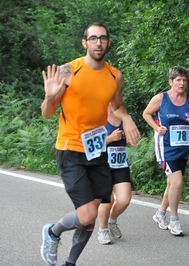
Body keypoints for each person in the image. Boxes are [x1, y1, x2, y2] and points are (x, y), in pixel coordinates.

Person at [40, 22, 140, 266]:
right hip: (71, 148)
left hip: (97, 150)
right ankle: (52, 232)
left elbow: (117, 105)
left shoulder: (114, 75)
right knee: (87, 214)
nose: (98, 42)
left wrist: (126, 118)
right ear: (85, 43)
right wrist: (50, 96)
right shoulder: (68, 71)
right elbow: (47, 113)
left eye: (103, 38)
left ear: (108, 42)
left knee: (90, 218)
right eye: (93, 38)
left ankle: (70, 263)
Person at [142, 66, 189, 236]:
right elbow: (146, 113)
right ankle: (174, 221)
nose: (182, 83)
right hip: (166, 146)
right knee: (177, 183)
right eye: (178, 80)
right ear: (171, 81)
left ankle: (160, 214)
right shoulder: (161, 98)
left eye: (184, 80)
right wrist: (156, 127)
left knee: (172, 184)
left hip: (183, 147)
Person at [96, 103, 132, 245]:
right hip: (102, 164)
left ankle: (112, 221)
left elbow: (133, 140)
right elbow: (87, 143)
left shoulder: (124, 116)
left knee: (124, 200)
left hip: (120, 164)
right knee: (107, 201)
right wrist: (110, 138)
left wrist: (130, 140)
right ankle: (102, 231)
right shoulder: (97, 116)